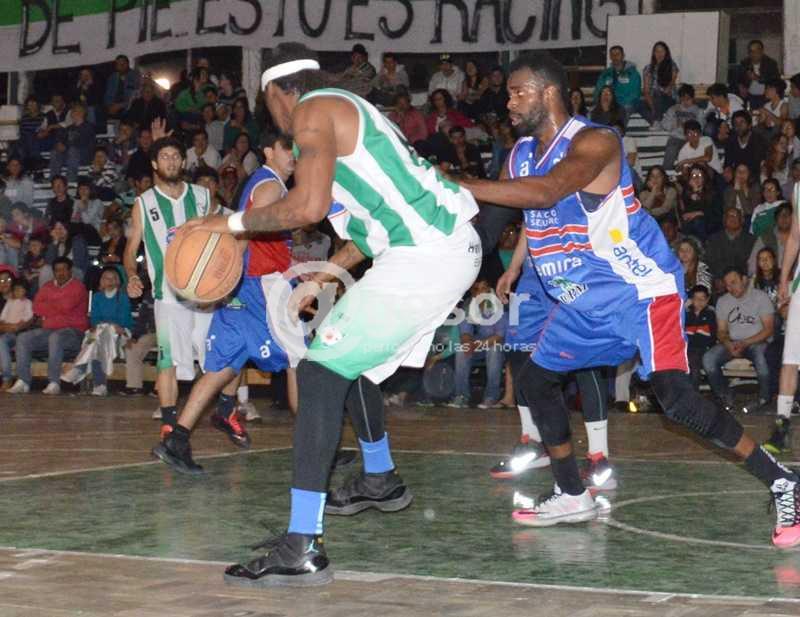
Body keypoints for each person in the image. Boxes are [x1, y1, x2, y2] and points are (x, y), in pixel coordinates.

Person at [454, 51, 800, 546]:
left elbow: (548, 191)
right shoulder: (519, 155)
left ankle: (784, 481)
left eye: (517, 92)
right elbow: (487, 229)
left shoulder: (597, 142)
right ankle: (571, 493)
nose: (507, 102)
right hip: (582, 301)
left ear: (548, 92)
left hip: (640, 291)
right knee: (533, 379)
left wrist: (455, 181)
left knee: (676, 400)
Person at [186, 42, 482, 585]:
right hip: (432, 249)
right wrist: (321, 278)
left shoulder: (313, 111)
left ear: (277, 92)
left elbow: (306, 208)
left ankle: (302, 542)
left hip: (426, 253)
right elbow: (366, 235)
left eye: (266, 102)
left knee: (320, 372)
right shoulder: (345, 115)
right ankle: (379, 477)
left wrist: (224, 223)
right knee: (350, 365)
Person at [153, 133, 307, 473]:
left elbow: (250, 236)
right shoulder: (271, 187)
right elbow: (246, 233)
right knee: (301, 362)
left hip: (243, 287)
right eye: (287, 148)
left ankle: (176, 440)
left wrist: (229, 282)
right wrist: (227, 272)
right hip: (264, 287)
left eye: (297, 149)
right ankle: (315, 447)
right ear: (268, 151)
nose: (294, 154)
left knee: (221, 368)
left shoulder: (259, 182)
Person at [124, 132, 213, 440]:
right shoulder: (143, 203)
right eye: (164, 157)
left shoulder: (202, 196)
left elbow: (218, 238)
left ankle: (230, 408)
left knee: (218, 357)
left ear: (184, 161)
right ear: (154, 164)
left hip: (204, 294)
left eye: (176, 156)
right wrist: (132, 275)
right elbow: (131, 248)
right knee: (167, 360)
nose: (171, 161)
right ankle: (169, 424)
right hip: (168, 295)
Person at [7, 257, 88, 395]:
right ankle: (23, 381)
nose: (60, 273)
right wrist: (58, 306)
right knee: (23, 338)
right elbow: (37, 307)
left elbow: (66, 306)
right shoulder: (47, 286)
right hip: (50, 330)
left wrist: (50, 305)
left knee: (56, 337)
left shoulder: (78, 286)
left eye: (64, 269)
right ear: (53, 272)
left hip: (74, 333)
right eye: (57, 270)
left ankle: (54, 382)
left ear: (70, 271)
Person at [702, 267, 774, 413]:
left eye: (734, 282)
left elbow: (768, 330)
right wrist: (728, 343)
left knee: (761, 357)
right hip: (733, 342)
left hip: (756, 341)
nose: (730, 288)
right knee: (708, 359)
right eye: (727, 285)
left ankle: (764, 397)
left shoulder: (760, 297)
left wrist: (745, 343)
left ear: (744, 280)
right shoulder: (723, 301)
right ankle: (725, 395)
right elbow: (721, 331)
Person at [64, 266, 133, 396]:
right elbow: (94, 318)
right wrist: (101, 325)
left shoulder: (123, 298)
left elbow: (123, 320)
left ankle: (80, 368)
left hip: (119, 333)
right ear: (102, 281)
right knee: (97, 342)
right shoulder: (97, 297)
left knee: (99, 337)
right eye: (106, 278)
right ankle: (99, 385)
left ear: (117, 281)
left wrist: (108, 325)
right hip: (101, 332)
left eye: (113, 278)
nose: (110, 281)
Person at [771, 184, 800, 454]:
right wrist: (784, 280)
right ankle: (782, 424)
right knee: (790, 358)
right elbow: (794, 238)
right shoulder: (799, 190)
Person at [447, 278, 506, 408]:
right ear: (472, 292)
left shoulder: (499, 303)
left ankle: (491, 397)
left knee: (494, 349)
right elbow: (465, 332)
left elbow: (499, 336)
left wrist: (476, 344)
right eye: (476, 289)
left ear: (489, 288)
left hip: (499, 346)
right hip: (478, 346)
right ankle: (461, 396)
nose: (480, 292)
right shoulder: (468, 305)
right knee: (462, 349)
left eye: (484, 288)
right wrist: (468, 343)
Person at [705, 207, 756, 294]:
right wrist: (718, 278)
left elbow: (752, 264)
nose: (732, 218)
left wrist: (741, 279)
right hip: (720, 283)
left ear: (742, 220)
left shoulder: (751, 240)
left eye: (735, 216)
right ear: (724, 220)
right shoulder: (713, 240)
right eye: (729, 216)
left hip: (744, 282)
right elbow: (709, 262)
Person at [661, 85, 705, 170]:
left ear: (692, 98)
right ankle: (666, 171)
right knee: (671, 147)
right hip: (676, 137)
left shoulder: (698, 111)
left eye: (688, 99)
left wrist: (690, 126)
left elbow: (701, 127)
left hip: (692, 138)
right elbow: (664, 124)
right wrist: (675, 124)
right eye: (682, 99)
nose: (685, 102)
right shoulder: (673, 109)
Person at [0, 280, 34, 389]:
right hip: (8, 332)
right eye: (15, 289)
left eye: (20, 289)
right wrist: (8, 326)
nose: (18, 291)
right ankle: (7, 377)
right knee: (1, 341)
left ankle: (18, 379)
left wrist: (17, 326)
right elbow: (2, 318)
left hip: (21, 333)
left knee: (19, 341)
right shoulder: (9, 302)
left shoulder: (28, 302)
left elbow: (28, 317)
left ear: (26, 291)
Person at [594, 45, 641, 115]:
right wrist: (600, 103)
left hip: (626, 105)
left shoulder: (632, 74)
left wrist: (617, 105)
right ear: (610, 57)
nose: (615, 56)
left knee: (622, 110)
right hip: (608, 105)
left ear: (623, 56)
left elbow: (635, 94)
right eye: (612, 54)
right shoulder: (605, 74)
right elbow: (598, 91)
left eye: (617, 54)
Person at [749, 202, 793, 276]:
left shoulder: (797, 237)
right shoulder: (766, 237)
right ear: (776, 219)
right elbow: (752, 265)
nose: (784, 218)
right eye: (780, 215)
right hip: (771, 278)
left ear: (793, 218)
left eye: (787, 214)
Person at [736, 39, 781, 109]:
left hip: (766, 97)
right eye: (751, 51)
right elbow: (737, 79)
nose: (753, 54)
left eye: (756, 51)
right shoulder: (744, 63)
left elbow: (776, 81)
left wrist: (758, 78)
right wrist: (740, 86)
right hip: (749, 97)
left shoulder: (771, 63)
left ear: (762, 51)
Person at [685, 285, 716, 388]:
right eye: (696, 298)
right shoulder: (686, 314)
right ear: (691, 300)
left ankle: (693, 392)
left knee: (694, 366)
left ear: (707, 299)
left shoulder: (710, 314)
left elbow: (712, 336)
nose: (699, 302)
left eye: (702, 298)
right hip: (688, 348)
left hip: (703, 349)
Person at [724, 110, 768, 179]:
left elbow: (761, 163)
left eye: (742, 122)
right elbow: (728, 162)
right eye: (736, 123)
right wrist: (728, 170)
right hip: (736, 175)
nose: (738, 126)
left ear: (749, 125)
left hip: (754, 176)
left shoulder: (758, 140)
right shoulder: (731, 141)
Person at [104, 55, 141, 119]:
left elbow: (138, 96)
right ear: (116, 66)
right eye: (118, 64)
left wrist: (121, 105)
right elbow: (107, 95)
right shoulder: (112, 77)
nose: (121, 65)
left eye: (123, 63)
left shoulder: (136, 77)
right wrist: (109, 106)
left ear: (128, 64)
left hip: (130, 110)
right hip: (113, 110)